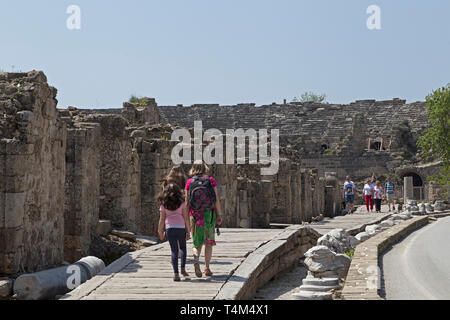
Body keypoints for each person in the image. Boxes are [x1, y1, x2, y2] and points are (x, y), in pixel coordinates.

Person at [185, 160, 223, 278]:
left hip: (195, 215)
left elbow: (187, 202)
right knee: (208, 242)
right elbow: (216, 198)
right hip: (208, 214)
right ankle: (207, 267)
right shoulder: (210, 180)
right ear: (205, 168)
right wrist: (219, 214)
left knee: (197, 241)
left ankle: (196, 256)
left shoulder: (189, 182)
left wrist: (186, 218)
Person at [157, 183, 191, 281]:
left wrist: (160, 232)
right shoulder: (182, 203)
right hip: (181, 228)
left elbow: (162, 219)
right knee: (183, 248)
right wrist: (189, 231)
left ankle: (176, 274)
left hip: (170, 229)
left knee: (174, 251)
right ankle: (183, 269)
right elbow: (186, 218)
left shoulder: (164, 204)